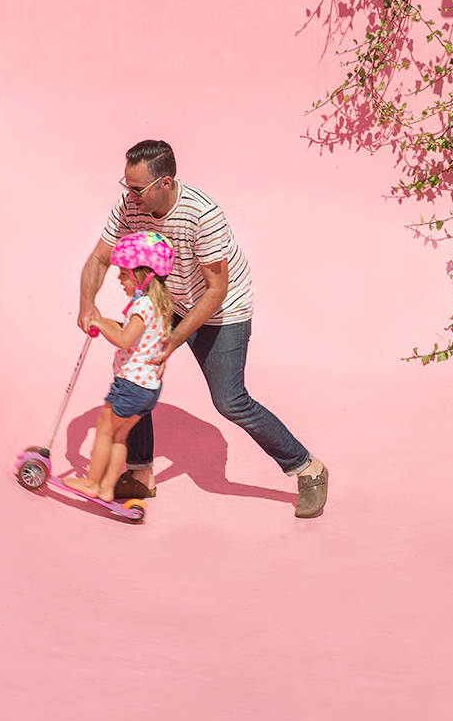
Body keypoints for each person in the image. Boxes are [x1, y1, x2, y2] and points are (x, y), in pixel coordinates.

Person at [78, 140, 328, 518]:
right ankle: (140, 473)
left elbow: (216, 291)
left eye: (137, 188)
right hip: (170, 300)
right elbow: (100, 256)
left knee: (230, 400)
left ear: (165, 183)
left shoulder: (202, 214)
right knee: (136, 376)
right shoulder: (132, 204)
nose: (129, 196)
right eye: (126, 186)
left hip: (222, 308)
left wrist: (172, 342)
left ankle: (307, 468)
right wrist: (87, 304)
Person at [64, 231, 175, 503]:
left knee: (104, 430)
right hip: (148, 388)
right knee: (118, 438)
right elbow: (130, 331)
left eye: (124, 273)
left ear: (142, 275)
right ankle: (106, 488)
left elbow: (125, 340)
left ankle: (91, 482)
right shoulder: (159, 306)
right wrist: (102, 319)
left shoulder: (142, 305)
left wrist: (100, 325)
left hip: (130, 384)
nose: (119, 278)